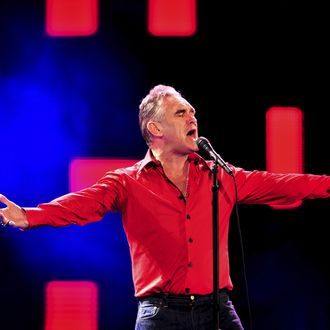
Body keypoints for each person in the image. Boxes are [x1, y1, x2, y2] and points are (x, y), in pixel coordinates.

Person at [1, 84, 330, 330]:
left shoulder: (220, 177)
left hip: (217, 311)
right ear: (155, 129)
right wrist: (29, 216)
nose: (193, 116)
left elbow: (279, 184)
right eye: (181, 112)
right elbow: (82, 204)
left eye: (192, 112)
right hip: (160, 315)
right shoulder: (127, 182)